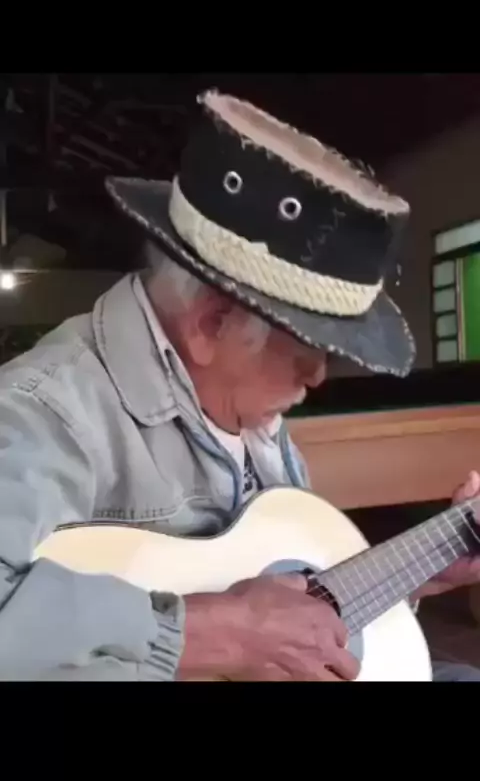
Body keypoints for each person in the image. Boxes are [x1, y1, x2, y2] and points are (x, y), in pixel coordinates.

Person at [0, 89, 479, 682]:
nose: (318, 375)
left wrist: (422, 571)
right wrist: (208, 634)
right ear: (212, 325)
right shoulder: (45, 411)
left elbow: (305, 602)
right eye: (305, 349)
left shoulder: (255, 419)